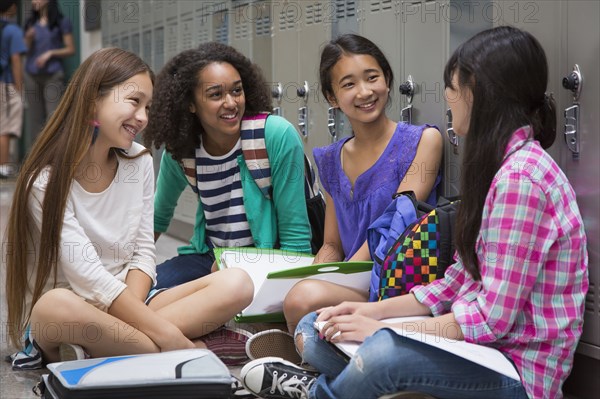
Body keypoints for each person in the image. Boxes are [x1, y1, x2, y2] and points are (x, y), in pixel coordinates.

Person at [240, 26, 589, 399]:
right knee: (316, 326)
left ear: (478, 94)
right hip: (473, 346)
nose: (447, 97)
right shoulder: (499, 170)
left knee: (383, 355)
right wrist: (372, 314)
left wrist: (392, 331)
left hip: (514, 369)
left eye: (452, 87)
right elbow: (455, 284)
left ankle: (320, 392)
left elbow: (491, 321)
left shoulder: (521, 180)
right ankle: (361, 386)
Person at [5, 47, 254, 370]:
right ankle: (190, 347)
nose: (143, 118)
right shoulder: (44, 181)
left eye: (148, 107)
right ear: (93, 100)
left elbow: (142, 253)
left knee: (237, 282)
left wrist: (135, 319)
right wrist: (168, 334)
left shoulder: (139, 162)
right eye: (134, 102)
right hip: (71, 313)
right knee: (55, 306)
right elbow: (87, 276)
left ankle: (103, 351)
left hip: (129, 304)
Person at [245, 34, 443, 361]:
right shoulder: (330, 159)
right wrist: (314, 272)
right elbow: (332, 244)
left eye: (372, 77)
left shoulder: (423, 141)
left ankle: (304, 368)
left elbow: (396, 225)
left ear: (388, 80)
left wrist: (332, 278)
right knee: (265, 289)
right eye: (349, 84)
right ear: (331, 96)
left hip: (396, 278)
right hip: (353, 277)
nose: (364, 92)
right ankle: (308, 352)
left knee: (300, 299)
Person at [143, 42, 311, 290]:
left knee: (221, 295)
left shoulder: (274, 135)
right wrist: (132, 276)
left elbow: (295, 237)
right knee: (149, 292)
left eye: (237, 91)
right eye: (215, 95)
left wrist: (285, 295)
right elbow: (158, 216)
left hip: (267, 257)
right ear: (190, 104)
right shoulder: (182, 150)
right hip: (211, 257)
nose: (231, 103)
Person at [23, 0, 74, 150]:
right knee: (35, 119)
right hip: (31, 75)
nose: (34, 1)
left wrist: (50, 53)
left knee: (54, 117)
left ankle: (54, 158)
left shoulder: (61, 21)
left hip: (53, 74)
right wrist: (28, 38)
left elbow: (70, 49)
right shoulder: (30, 23)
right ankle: (35, 160)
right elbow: (24, 50)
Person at [0, 0, 27, 178]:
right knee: (5, 127)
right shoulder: (13, 30)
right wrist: (19, 87)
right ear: (11, 8)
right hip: (6, 83)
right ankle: (3, 167)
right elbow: (16, 60)